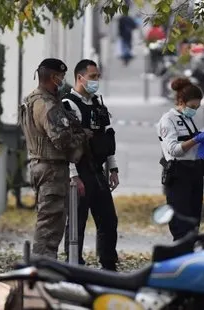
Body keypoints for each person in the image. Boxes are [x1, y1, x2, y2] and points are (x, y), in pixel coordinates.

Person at [18, 58, 90, 259]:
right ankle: (42, 271)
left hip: (40, 165)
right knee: (50, 225)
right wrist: (82, 136)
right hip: (51, 170)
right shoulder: (47, 104)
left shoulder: (31, 99)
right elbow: (61, 139)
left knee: (49, 221)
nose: (62, 80)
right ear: (53, 77)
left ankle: (43, 266)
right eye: (61, 76)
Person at [60, 59, 120, 270]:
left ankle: (108, 263)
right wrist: (73, 176)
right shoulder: (68, 105)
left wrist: (113, 169)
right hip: (80, 170)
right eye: (93, 77)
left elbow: (107, 138)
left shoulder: (98, 104)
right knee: (77, 221)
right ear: (80, 78)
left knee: (108, 220)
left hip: (98, 170)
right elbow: (67, 146)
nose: (96, 81)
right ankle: (74, 263)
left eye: (97, 77)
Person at [156, 78, 204, 241]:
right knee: (181, 225)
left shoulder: (188, 119)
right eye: (192, 107)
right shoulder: (168, 120)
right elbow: (174, 149)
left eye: (197, 107)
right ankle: (180, 259)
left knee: (193, 223)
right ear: (181, 101)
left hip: (194, 172)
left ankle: (190, 257)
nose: (194, 110)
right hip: (178, 174)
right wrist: (196, 140)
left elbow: (190, 144)